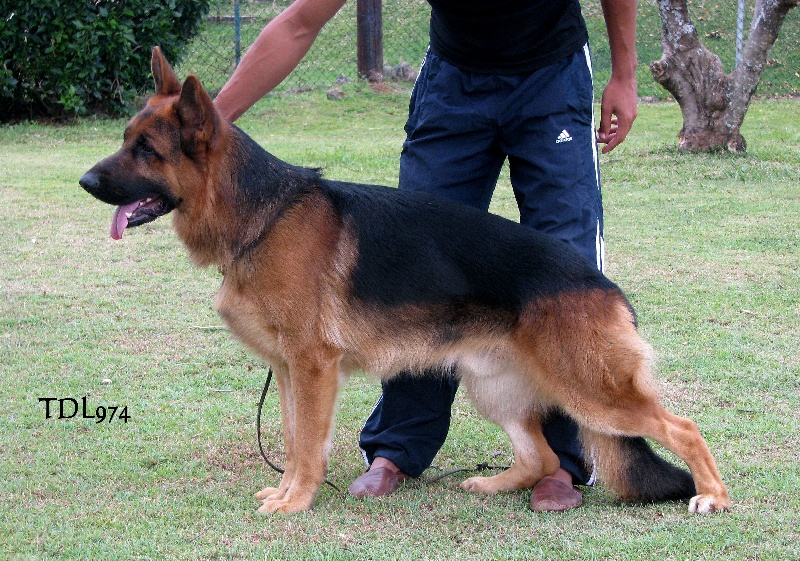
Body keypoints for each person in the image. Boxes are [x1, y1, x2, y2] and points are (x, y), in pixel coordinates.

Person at [214, 0, 638, 512]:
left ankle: (562, 461)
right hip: (454, 80)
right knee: (411, 266)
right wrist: (210, 121)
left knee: (565, 257)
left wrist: (624, 74)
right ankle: (398, 447)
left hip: (552, 71)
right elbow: (300, 22)